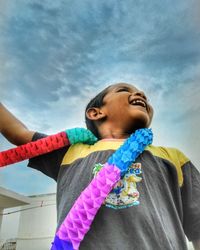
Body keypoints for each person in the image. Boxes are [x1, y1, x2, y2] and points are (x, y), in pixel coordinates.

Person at [0, 83, 200, 250]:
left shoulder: (172, 158)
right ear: (96, 112)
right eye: (124, 90)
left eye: (142, 94)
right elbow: (19, 133)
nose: (141, 94)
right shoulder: (70, 152)